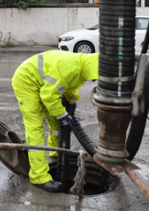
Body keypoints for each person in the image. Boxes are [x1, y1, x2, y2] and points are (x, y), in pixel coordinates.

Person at [11, 51, 99, 192]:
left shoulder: (82, 67)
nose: (95, 80)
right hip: (27, 81)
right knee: (35, 128)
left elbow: (66, 86)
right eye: (97, 77)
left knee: (56, 123)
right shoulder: (71, 68)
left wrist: (72, 100)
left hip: (44, 86)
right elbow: (48, 95)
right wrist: (62, 115)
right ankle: (38, 176)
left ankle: (56, 151)